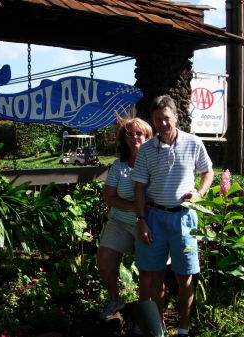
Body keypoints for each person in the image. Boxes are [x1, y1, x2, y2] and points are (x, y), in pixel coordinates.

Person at [132, 95, 214, 337]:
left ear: (176, 117)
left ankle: (184, 329)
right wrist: (141, 220)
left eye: (166, 118)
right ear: (153, 121)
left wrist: (199, 192)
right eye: (157, 119)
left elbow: (208, 172)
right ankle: (158, 329)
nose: (162, 123)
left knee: (185, 276)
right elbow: (139, 188)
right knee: (155, 275)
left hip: (184, 219)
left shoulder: (193, 142)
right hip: (154, 217)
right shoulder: (146, 149)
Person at [97, 117, 153, 320]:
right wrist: (135, 206)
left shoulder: (156, 163)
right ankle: (115, 301)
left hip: (148, 223)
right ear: (124, 138)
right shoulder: (118, 166)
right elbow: (109, 197)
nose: (134, 137)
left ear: (148, 136)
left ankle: (145, 313)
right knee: (104, 260)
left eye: (139, 133)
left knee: (148, 271)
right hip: (119, 221)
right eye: (130, 133)